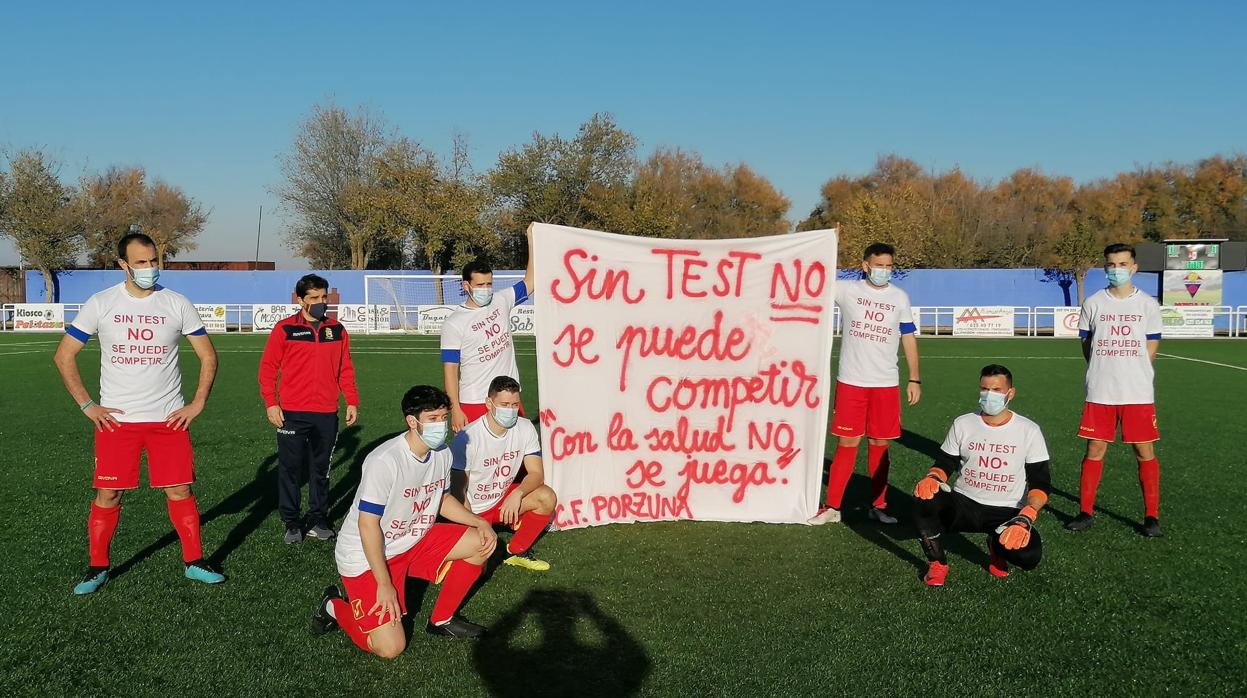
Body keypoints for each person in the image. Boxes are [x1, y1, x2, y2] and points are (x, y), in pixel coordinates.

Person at [53, 230, 225, 594]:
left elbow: (208, 356)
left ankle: (194, 561)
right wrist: (87, 404)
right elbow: (64, 354)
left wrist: (197, 403)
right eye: (141, 263)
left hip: (168, 421)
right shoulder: (101, 303)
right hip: (117, 423)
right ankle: (97, 567)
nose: (150, 268)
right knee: (108, 495)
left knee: (180, 490)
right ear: (123, 265)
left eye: (154, 261)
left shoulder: (177, 303)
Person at [310, 385, 497, 657]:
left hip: (414, 540)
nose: (441, 425)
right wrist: (384, 584)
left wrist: (478, 521)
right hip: (367, 555)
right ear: (412, 421)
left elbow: (442, 500)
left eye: (443, 418)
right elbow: (367, 525)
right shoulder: (385, 461)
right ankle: (332, 605)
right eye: (432, 419)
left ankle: (442, 619)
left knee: (482, 542)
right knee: (390, 648)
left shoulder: (442, 453)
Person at [809, 242, 921, 525]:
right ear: (865, 266)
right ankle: (833, 507)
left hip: (886, 383)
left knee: (879, 444)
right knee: (847, 443)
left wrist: (914, 378)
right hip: (851, 381)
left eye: (888, 266)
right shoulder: (847, 290)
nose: (884, 271)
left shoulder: (900, 297)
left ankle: (879, 505)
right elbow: (815, 276)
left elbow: (908, 337)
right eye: (879, 265)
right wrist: (829, 241)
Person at [912, 364, 1050, 586]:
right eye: (984, 389)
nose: (989, 395)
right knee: (924, 498)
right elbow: (945, 462)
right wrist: (934, 477)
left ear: (1010, 393)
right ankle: (937, 563)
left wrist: (1026, 515)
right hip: (963, 503)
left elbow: (1040, 481)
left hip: (1006, 509)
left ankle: (996, 545)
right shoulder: (964, 423)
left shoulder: (1029, 430)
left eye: (996, 390)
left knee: (1028, 557)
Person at [1066, 243, 1165, 537]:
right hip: (1100, 390)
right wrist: (1100, 367)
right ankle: (1085, 512)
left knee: (1144, 450)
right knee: (1094, 449)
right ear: (1105, 268)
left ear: (1133, 268)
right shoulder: (1094, 303)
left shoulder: (1147, 304)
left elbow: (1152, 343)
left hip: (1137, 392)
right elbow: (1086, 342)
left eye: (1122, 264)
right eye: (1111, 264)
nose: (1116, 269)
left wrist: (1137, 369)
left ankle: (1151, 517)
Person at [258, 274, 360, 544]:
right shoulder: (285, 329)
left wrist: (351, 399)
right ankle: (291, 522)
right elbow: (268, 368)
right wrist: (271, 403)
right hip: (292, 412)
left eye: (323, 297)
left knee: (320, 470)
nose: (320, 302)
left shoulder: (336, 329)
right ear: (300, 300)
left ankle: (318, 517)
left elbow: (345, 368)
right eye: (314, 298)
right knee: (290, 470)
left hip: (327, 413)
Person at [450, 376, 556, 572]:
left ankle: (517, 551)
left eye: (515, 404)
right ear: (489, 403)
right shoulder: (467, 438)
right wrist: (476, 523)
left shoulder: (525, 428)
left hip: (502, 501)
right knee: (478, 567)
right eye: (504, 404)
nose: (511, 410)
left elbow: (536, 473)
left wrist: (518, 493)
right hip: (472, 508)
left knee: (546, 497)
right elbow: (457, 491)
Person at [442, 226, 534, 430]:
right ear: (466, 286)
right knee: (475, 459)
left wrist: (532, 239)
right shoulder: (454, 323)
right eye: (480, 285)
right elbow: (450, 370)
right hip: (474, 401)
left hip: (509, 398)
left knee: (519, 456)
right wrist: (455, 408)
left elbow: (530, 281)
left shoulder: (501, 300)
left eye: (489, 284)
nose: (486, 289)